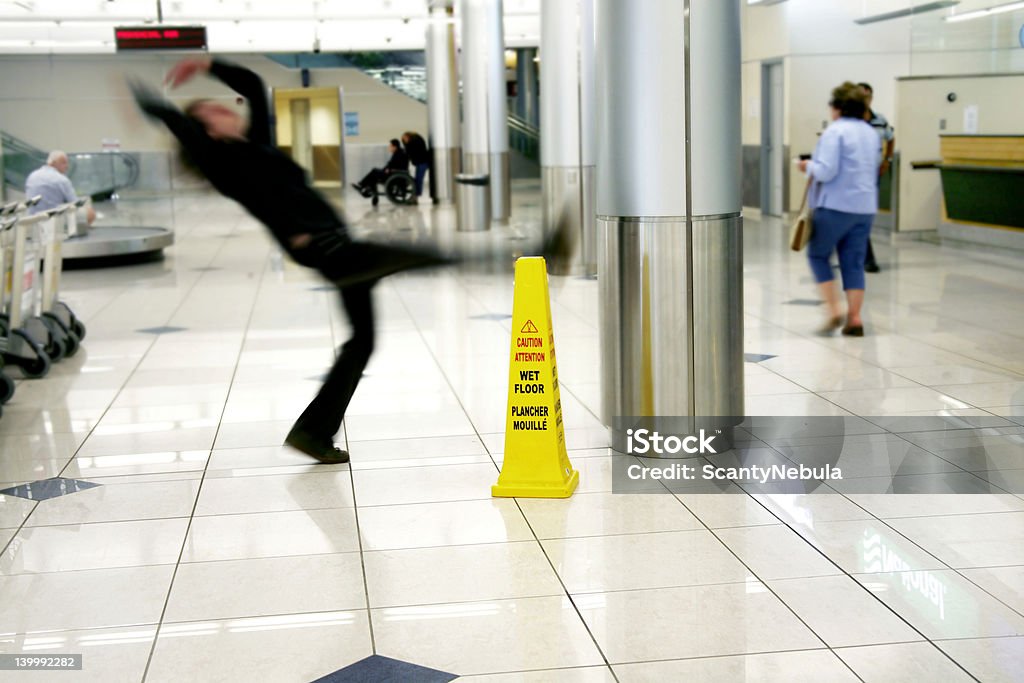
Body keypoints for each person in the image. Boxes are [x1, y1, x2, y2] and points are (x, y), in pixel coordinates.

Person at [131, 58, 567, 464]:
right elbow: (167, 116)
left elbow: (252, 86)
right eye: (213, 112)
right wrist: (150, 96)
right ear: (203, 130)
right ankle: (540, 252)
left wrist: (207, 65)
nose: (227, 111)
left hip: (338, 244)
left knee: (362, 342)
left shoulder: (257, 143)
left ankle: (312, 433)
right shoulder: (219, 161)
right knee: (433, 255)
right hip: (328, 250)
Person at [797, 81, 879, 337]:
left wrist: (806, 166)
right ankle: (855, 318)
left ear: (839, 107)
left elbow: (826, 170)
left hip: (835, 205)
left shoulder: (835, 132)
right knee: (853, 262)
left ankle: (833, 309)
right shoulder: (870, 132)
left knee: (818, 255)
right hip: (865, 207)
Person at [857, 82, 894, 274]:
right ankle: (867, 259)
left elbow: (890, 136)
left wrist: (887, 159)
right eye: (861, 96)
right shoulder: (849, 121)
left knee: (865, 216)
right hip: (854, 178)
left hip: (874, 176)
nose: (865, 100)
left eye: (868, 96)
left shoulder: (880, 120)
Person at [24, 151, 96, 225]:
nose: (67, 167)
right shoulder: (61, 180)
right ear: (54, 163)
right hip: (53, 221)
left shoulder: (32, 176)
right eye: (64, 163)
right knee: (90, 212)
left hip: (31, 220)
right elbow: (75, 204)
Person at [402, 131, 430, 201]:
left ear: (408, 136)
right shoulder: (417, 140)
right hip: (422, 162)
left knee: (419, 179)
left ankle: (416, 195)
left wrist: (407, 146)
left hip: (422, 162)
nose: (404, 141)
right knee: (418, 179)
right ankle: (416, 195)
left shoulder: (414, 141)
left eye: (404, 139)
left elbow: (409, 151)